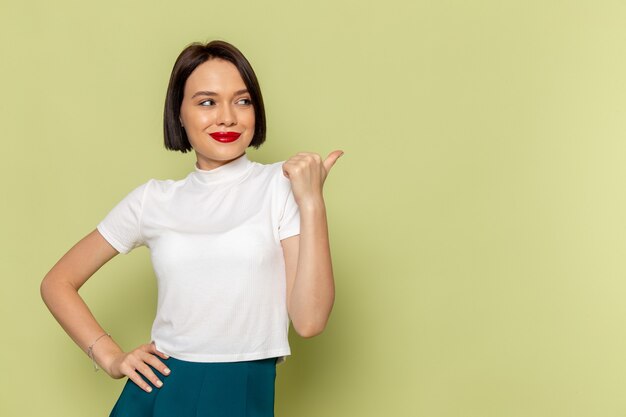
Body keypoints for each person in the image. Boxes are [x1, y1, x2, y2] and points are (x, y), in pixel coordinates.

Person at [40, 40, 341, 417]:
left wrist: (311, 201)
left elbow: (310, 321)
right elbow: (57, 282)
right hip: (159, 387)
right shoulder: (153, 199)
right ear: (179, 114)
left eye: (242, 101)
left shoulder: (281, 186)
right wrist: (110, 356)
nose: (227, 117)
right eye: (207, 101)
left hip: (239, 389)